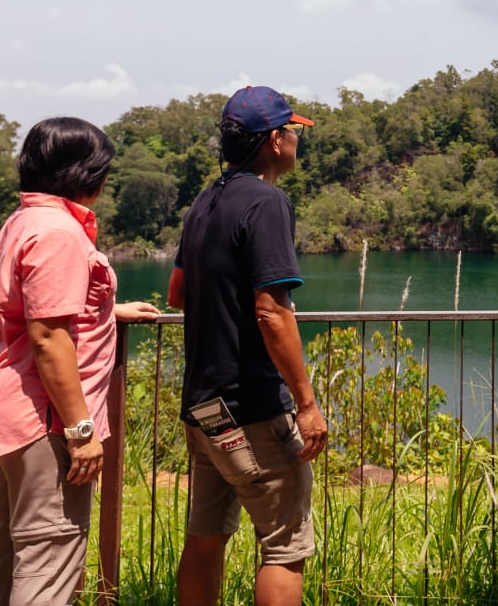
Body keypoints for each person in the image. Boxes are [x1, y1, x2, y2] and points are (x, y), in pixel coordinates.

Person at [0, 117, 161, 606]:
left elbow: (40, 311)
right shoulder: (58, 233)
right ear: (86, 173)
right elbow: (49, 336)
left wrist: (107, 311)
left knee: (3, 549)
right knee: (51, 556)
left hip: (14, 408)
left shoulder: (25, 220)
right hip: (45, 420)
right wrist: (81, 432)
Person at [167, 86, 328, 606]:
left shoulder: (205, 201)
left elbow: (177, 294)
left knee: (206, 536)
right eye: (294, 133)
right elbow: (271, 311)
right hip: (252, 407)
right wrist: (306, 403)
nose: (297, 142)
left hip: (205, 406)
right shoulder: (267, 202)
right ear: (274, 141)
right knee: (285, 546)